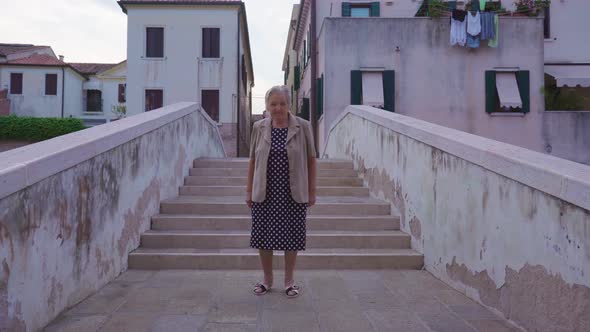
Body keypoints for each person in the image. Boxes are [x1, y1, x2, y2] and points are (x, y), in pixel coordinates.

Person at [246, 85, 317, 298]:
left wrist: (312, 191)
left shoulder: (303, 126)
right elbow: (252, 160)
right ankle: (267, 280)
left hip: (292, 192)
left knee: (292, 237)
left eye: (282, 104)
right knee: (263, 238)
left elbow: (311, 160)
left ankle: (289, 281)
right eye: (273, 104)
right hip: (264, 192)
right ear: (267, 106)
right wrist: (249, 190)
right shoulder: (258, 127)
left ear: (289, 105)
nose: (278, 108)